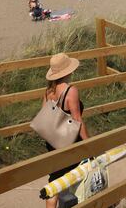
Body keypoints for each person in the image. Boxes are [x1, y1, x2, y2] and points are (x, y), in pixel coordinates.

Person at [42, 53, 89, 208]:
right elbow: (78, 121)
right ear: (68, 71)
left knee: (54, 184)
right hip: (70, 144)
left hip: (53, 143)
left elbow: (45, 117)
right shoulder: (71, 91)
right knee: (81, 177)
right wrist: (90, 144)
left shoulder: (48, 91)